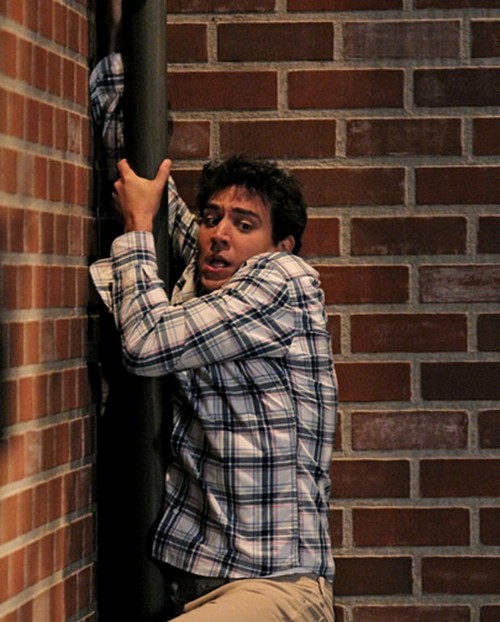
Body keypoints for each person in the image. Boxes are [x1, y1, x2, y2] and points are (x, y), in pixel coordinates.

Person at [90, 153, 338, 621]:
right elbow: (164, 201)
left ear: (282, 246)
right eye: (211, 219)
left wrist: (137, 224)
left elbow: (147, 343)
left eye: (245, 225)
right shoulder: (218, 278)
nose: (220, 234)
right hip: (199, 589)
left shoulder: (282, 279)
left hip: (273, 591)